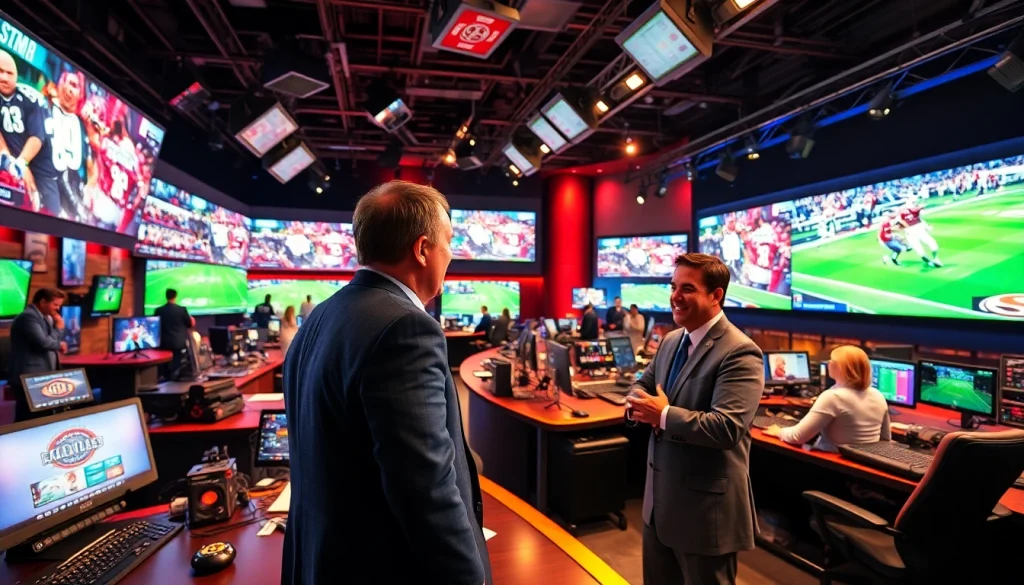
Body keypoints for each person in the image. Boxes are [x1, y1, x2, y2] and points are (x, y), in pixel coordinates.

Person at [282, 181, 491, 585]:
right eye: (449, 242)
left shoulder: (320, 317)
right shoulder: (406, 329)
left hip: (320, 559)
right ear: (423, 249)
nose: (452, 255)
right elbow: (425, 488)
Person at [626, 253, 763, 585]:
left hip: (704, 515)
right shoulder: (672, 339)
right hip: (658, 507)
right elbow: (642, 383)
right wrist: (635, 402)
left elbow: (726, 428)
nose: (675, 296)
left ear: (716, 296)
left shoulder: (740, 352)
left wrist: (663, 415)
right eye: (673, 286)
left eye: (687, 288)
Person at [764, 346, 891, 452]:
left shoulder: (833, 397)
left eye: (831, 361)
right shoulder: (878, 395)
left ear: (840, 368)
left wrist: (779, 432)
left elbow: (798, 437)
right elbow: (885, 439)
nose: (828, 363)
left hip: (831, 463)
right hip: (864, 462)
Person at [10, 288, 68, 422]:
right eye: (55, 304)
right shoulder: (28, 317)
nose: (58, 309)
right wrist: (59, 328)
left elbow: (51, 339)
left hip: (42, 375)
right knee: (27, 417)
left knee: (41, 416)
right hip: (29, 376)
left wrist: (56, 332)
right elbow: (43, 342)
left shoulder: (46, 317)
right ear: (43, 302)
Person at [154, 288, 194, 379]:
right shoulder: (182, 310)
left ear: (166, 296)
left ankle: (166, 378)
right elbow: (189, 324)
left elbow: (155, 326)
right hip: (178, 342)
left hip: (164, 342)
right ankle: (174, 379)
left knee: (165, 364)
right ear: (175, 296)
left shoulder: (159, 310)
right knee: (176, 363)